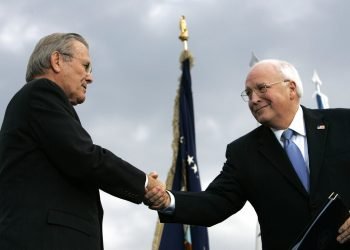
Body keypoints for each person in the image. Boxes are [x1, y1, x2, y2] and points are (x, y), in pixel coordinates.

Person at [146, 59, 350, 249]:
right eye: (248, 93)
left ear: (291, 88)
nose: (253, 100)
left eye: (261, 88)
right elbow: (215, 202)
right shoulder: (243, 153)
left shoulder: (343, 124)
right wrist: (166, 200)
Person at [0, 32, 164, 250]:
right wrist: (144, 184)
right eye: (85, 66)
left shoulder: (36, 103)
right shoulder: (40, 92)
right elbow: (85, 156)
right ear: (57, 61)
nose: (90, 77)